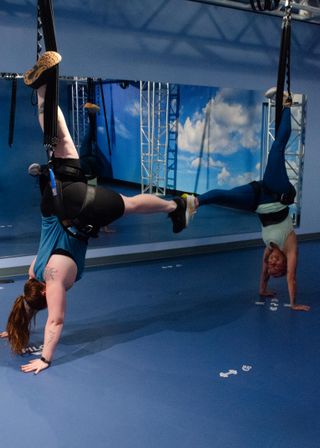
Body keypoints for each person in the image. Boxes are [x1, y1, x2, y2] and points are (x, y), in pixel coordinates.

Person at [0, 51, 196, 374]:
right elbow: (26, 304)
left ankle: (175, 205)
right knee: (58, 140)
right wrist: (15, 325)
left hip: (76, 206)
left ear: (46, 294)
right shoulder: (34, 272)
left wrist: (45, 358)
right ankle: (41, 91)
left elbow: (57, 320)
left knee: (130, 205)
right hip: (52, 198)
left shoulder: (54, 281)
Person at [184, 88, 310, 312]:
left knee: (223, 195)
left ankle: (194, 203)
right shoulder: (290, 247)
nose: (272, 262)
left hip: (258, 202)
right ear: (283, 261)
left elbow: (263, 275)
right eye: (277, 264)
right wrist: (293, 304)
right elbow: (291, 278)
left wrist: (263, 289)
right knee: (276, 150)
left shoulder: (268, 252)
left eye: (271, 265)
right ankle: (288, 103)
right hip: (278, 193)